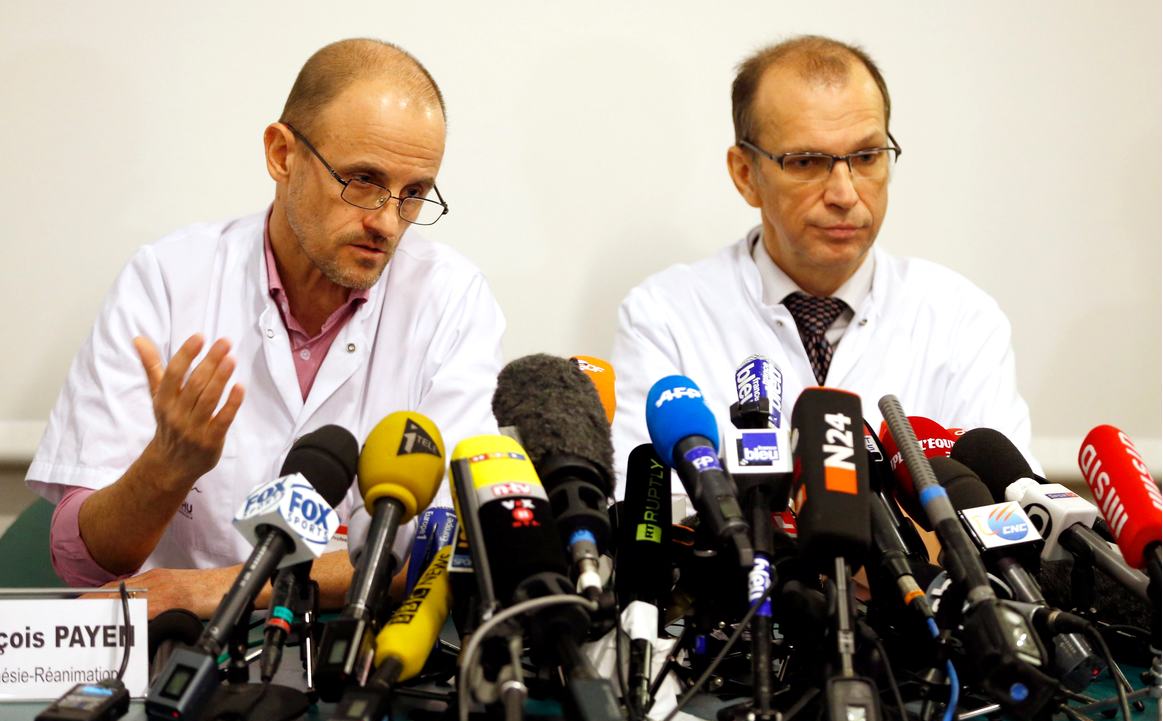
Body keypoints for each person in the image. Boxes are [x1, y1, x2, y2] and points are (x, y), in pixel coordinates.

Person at [26, 38, 505, 618]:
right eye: (363, 180)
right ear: (282, 155)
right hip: (176, 648)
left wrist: (210, 590)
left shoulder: (452, 299)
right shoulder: (168, 279)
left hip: (357, 645)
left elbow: (441, 548)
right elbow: (83, 560)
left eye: (414, 194)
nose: (386, 222)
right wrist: (168, 467)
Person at [611, 35, 1037, 507]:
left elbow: (1006, 516)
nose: (845, 194)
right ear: (746, 174)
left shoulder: (961, 317)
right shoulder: (665, 315)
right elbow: (648, 513)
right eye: (807, 162)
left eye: (867, 157)